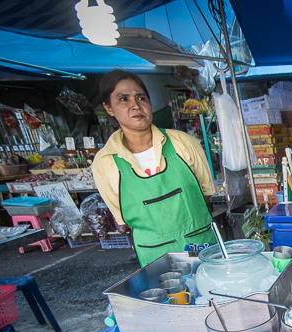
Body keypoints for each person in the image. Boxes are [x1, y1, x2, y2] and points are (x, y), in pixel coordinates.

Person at [92, 70, 216, 267]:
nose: (135, 106)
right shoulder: (104, 162)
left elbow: (206, 193)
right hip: (154, 254)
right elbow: (122, 220)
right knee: (170, 295)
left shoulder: (184, 143)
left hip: (198, 244)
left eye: (141, 97)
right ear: (109, 108)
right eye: (123, 99)